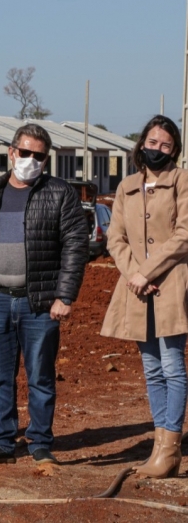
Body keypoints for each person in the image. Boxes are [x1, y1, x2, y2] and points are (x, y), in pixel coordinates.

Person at [0, 123, 89, 465]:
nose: (32, 160)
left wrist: (65, 296)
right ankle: (2, 441)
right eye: (26, 152)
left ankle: (40, 441)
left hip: (40, 302)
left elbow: (76, 246)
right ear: (12, 152)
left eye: (40, 155)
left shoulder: (60, 193)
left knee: (41, 376)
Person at [101, 115, 188, 478]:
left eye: (166, 145)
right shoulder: (127, 186)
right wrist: (133, 274)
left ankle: (170, 450)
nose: (157, 149)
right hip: (136, 290)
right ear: (141, 144)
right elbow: (114, 238)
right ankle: (158, 447)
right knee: (152, 370)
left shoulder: (182, 181)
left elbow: (184, 235)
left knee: (173, 367)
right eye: (152, 142)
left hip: (170, 285)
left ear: (175, 150)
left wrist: (147, 272)